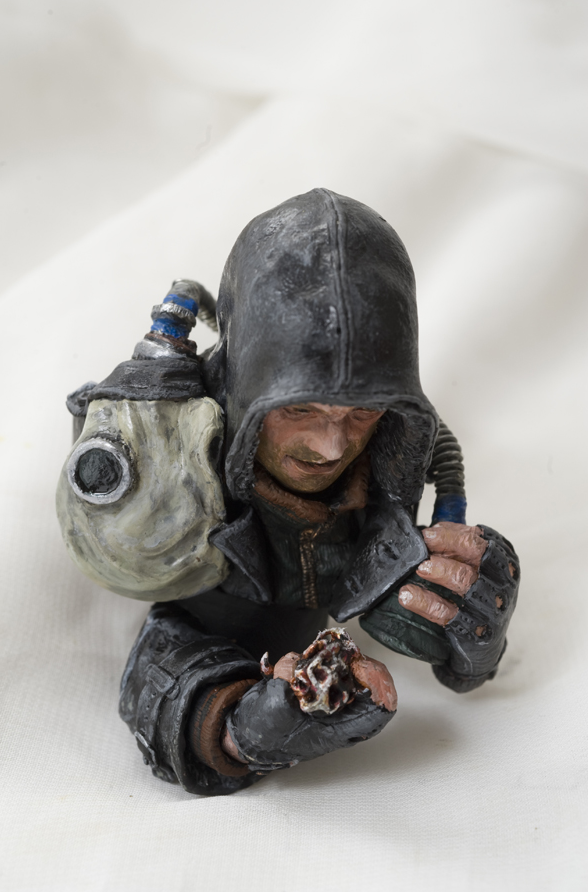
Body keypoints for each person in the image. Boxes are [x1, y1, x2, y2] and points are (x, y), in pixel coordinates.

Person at [57, 189, 519, 796]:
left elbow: (455, 658)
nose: (331, 445)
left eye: (362, 412)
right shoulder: (188, 468)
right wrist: (235, 729)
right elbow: (160, 650)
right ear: (244, 392)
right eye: (299, 408)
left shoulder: (392, 473)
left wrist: (477, 632)